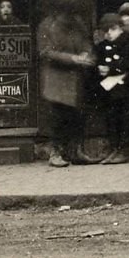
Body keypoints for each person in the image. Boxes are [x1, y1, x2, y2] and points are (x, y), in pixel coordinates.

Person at [36, 9, 94, 168]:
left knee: (77, 116)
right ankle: (55, 153)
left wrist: (85, 53)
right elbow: (45, 52)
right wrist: (72, 58)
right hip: (56, 77)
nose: (68, 17)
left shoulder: (77, 23)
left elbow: (85, 42)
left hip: (76, 77)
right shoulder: (47, 25)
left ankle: (76, 152)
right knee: (58, 116)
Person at [92, 12, 129, 163]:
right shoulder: (102, 46)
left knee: (126, 120)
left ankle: (123, 150)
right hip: (110, 89)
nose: (108, 34)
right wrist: (99, 69)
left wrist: (110, 69)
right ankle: (114, 148)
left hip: (127, 88)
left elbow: (128, 63)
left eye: (112, 30)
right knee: (112, 119)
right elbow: (96, 61)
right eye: (105, 31)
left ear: (120, 28)